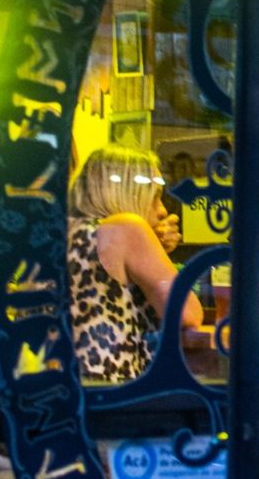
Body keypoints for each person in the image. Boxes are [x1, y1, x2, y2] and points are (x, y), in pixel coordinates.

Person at [68, 144, 202, 382]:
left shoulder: (67, 229)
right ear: (127, 193)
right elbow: (187, 313)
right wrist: (151, 244)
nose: (162, 210)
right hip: (113, 391)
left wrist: (155, 247)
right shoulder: (126, 227)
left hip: (63, 390)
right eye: (155, 196)